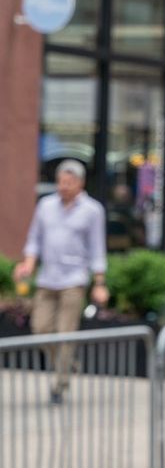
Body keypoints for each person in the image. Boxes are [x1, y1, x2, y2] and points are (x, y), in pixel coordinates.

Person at [13, 159, 109, 404]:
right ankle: (66, 363)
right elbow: (34, 240)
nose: (63, 186)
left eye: (69, 182)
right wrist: (28, 265)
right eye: (60, 182)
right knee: (41, 329)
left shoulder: (92, 210)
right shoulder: (45, 206)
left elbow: (97, 248)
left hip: (74, 280)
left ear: (80, 183)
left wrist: (99, 282)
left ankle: (60, 384)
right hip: (47, 277)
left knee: (66, 333)